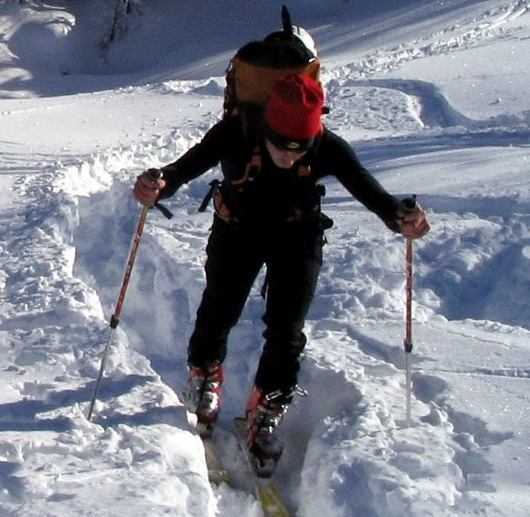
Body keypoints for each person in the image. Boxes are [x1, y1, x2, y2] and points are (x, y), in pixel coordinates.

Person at [133, 72, 430, 475]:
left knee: (288, 327)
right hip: (237, 228)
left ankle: (268, 405)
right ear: (267, 128)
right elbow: (184, 168)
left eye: (300, 149)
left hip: (298, 234)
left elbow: (372, 193)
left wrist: (401, 218)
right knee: (221, 306)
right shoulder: (235, 131)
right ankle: (204, 375)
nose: (291, 157)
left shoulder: (328, 146)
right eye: (281, 147)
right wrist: (157, 184)